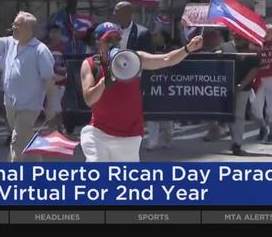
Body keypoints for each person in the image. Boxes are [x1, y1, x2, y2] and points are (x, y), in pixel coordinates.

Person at [79, 22, 203, 162]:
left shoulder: (135, 59)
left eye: (117, 39)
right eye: (108, 40)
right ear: (98, 42)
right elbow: (89, 99)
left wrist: (188, 48)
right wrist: (104, 81)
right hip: (98, 133)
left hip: (129, 135)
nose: (113, 43)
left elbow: (166, 59)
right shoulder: (90, 64)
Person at [0, 0, 57, 162]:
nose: (14, 27)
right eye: (14, 24)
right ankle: (40, 172)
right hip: (10, 103)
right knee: (25, 139)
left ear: (29, 29)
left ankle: (13, 178)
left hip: (30, 106)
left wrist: (50, 105)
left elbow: (48, 80)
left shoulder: (40, 50)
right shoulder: (9, 43)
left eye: (18, 25)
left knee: (16, 141)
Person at [228, 33, 261, 155]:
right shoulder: (225, 47)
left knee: (239, 115)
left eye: (240, 36)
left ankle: (237, 143)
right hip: (225, 88)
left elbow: (254, 69)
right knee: (228, 116)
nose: (237, 37)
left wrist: (242, 84)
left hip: (243, 88)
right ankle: (234, 139)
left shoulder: (253, 52)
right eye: (235, 35)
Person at [144, 29, 175, 151]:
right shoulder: (148, 50)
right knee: (151, 117)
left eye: (156, 35)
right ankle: (152, 142)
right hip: (152, 87)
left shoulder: (172, 50)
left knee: (166, 120)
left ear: (163, 37)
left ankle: (167, 138)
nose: (154, 37)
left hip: (167, 88)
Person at [251, 24, 272, 142]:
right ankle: (263, 127)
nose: (266, 34)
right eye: (264, 31)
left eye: (268, 32)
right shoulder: (257, 45)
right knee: (255, 106)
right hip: (260, 78)